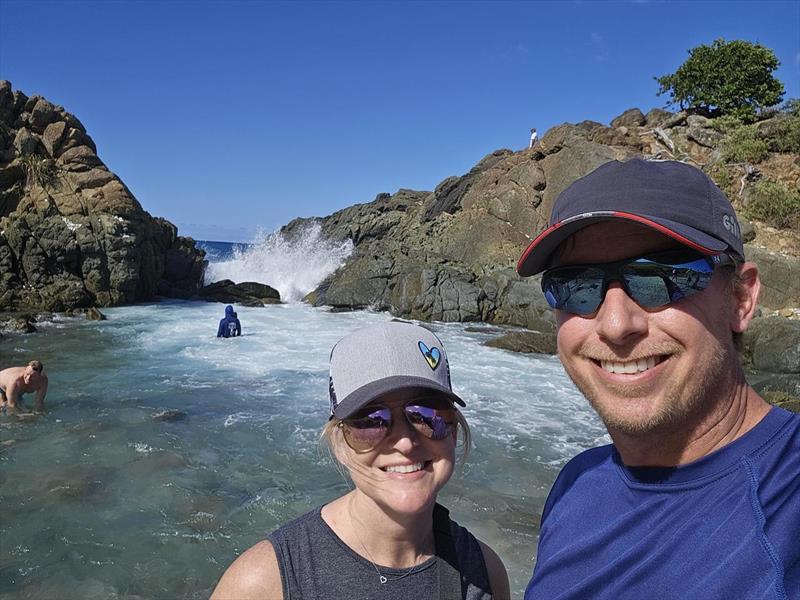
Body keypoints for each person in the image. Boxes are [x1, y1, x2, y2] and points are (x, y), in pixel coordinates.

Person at [516, 158, 800, 598]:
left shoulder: (788, 494)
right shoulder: (578, 482)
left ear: (741, 298)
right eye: (575, 285)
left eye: (659, 277)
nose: (614, 324)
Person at [211, 320, 510, 599]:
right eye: (370, 421)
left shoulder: (485, 572)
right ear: (339, 444)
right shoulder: (265, 582)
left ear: (454, 432)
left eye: (427, 415)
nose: (405, 441)